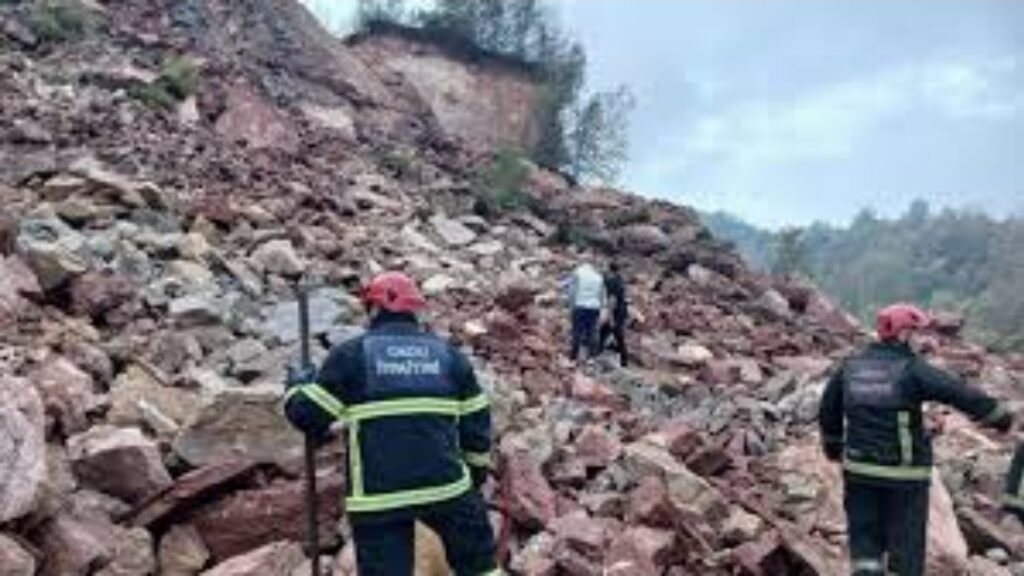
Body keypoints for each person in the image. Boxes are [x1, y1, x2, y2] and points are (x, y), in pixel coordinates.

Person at [283, 271, 500, 576]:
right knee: (480, 568)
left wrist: (297, 386)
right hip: (447, 489)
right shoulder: (449, 356)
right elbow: (477, 426)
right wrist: (474, 478)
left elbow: (308, 417)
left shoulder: (352, 355)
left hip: (379, 498)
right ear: (415, 310)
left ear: (372, 309)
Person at [819, 303, 1012, 576]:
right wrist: (999, 416)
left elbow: (829, 410)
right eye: (917, 332)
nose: (922, 339)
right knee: (907, 549)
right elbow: (956, 391)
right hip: (904, 477)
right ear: (902, 334)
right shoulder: (912, 369)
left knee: (865, 545)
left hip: (859, 473)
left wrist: (833, 447)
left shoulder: (851, 367)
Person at [564, 261, 605, 362]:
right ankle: (591, 357)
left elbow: (572, 291)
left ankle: (574, 356)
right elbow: (601, 294)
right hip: (594, 307)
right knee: (591, 331)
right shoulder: (598, 276)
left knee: (577, 331)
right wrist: (600, 307)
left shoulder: (577, 273)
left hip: (580, 305)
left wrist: (570, 305)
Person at [599, 261, 629, 367]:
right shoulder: (620, 280)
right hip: (621, 310)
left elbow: (612, 299)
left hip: (616, 312)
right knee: (604, 332)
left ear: (609, 268)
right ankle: (598, 353)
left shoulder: (613, 282)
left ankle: (624, 359)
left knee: (617, 334)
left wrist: (610, 316)